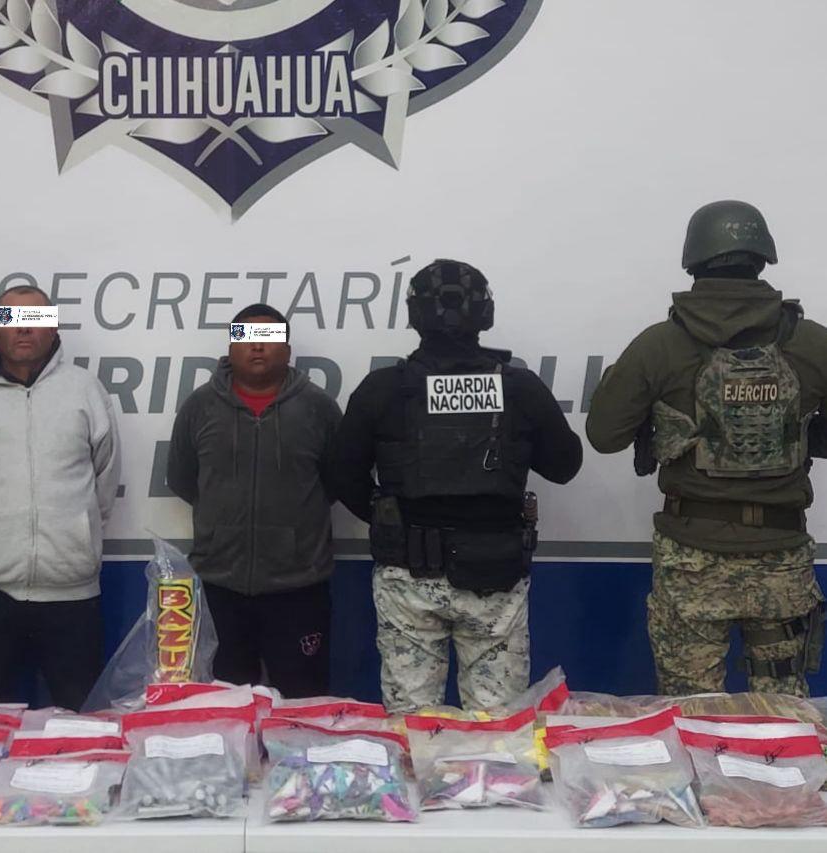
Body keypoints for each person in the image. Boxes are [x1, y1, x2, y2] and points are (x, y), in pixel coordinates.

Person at [587, 200, 827, 696]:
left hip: (690, 559)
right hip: (781, 557)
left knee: (692, 709)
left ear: (693, 261)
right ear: (762, 259)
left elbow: (604, 435)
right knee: (782, 713)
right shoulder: (811, 343)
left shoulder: (660, 344)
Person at [333, 259, 582, 712]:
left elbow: (340, 472)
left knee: (413, 726)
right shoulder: (518, 387)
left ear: (414, 315)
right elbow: (565, 465)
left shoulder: (383, 389)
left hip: (409, 578)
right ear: (485, 313)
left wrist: (389, 519)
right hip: (493, 575)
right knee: (496, 729)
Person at [0, 285, 119, 711]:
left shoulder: (84, 390)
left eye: (35, 320)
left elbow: (105, 479)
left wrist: (78, 530)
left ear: (53, 328)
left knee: (80, 717)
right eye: (12, 320)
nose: (24, 330)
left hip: (71, 592)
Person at [167, 303, 342, 696]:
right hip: (220, 585)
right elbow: (182, 479)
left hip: (299, 588)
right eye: (246, 338)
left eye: (269, 338)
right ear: (231, 348)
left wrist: (290, 531)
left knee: (302, 703)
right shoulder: (199, 407)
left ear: (288, 350)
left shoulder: (318, 409)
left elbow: (335, 483)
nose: (258, 347)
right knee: (225, 707)